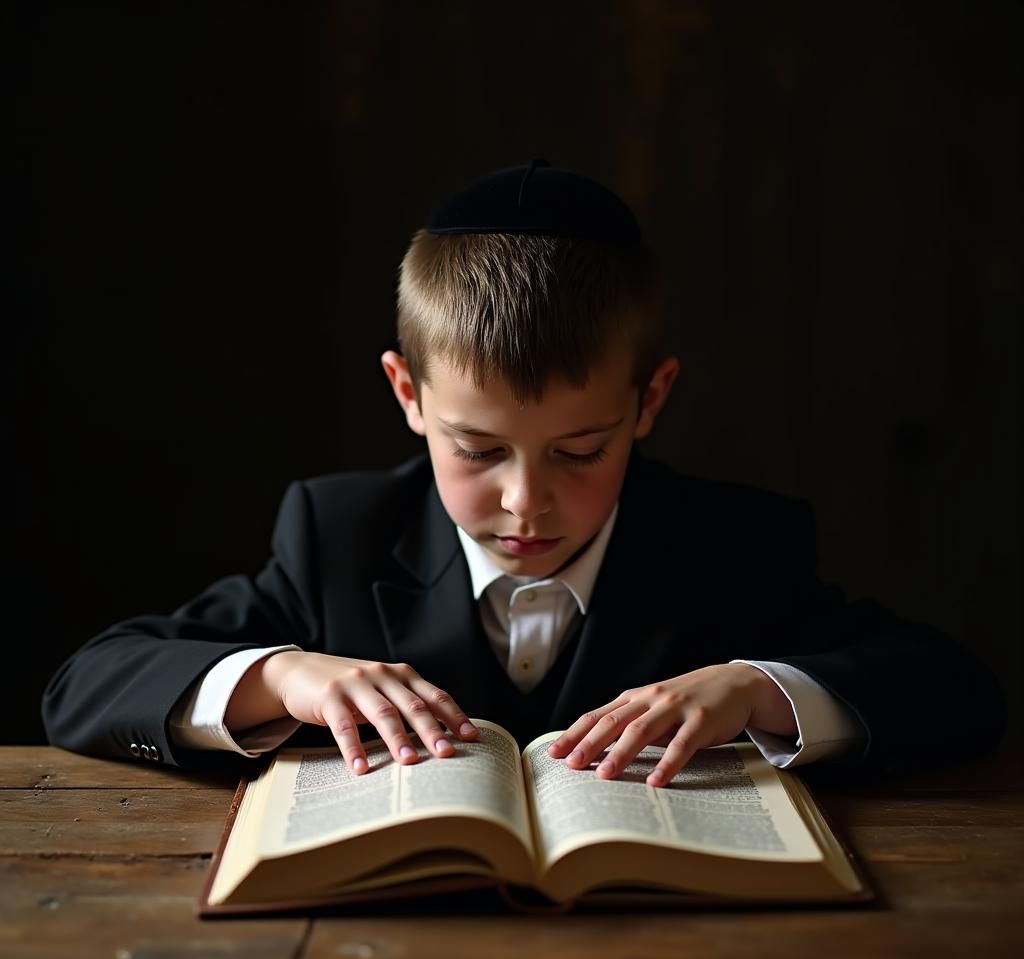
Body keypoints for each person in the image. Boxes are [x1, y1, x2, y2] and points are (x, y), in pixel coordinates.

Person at [42, 161, 1005, 784]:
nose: (525, 500)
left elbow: (959, 692)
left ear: (650, 400)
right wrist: (282, 675)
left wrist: (761, 690)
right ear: (407, 393)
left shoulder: (739, 545)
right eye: (478, 449)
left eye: (581, 450)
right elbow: (85, 685)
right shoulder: (336, 536)